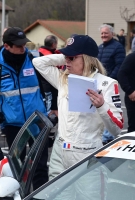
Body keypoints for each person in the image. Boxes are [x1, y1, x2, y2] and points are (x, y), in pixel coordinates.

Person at [32, 35, 123, 184]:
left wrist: (102, 106)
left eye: (72, 57)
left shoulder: (107, 84)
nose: (67, 61)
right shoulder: (63, 79)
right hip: (59, 151)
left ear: (87, 59)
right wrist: (66, 57)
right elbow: (38, 62)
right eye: (66, 57)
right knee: (57, 195)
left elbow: (117, 129)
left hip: (86, 154)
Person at [0, 27, 48, 191]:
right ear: (7, 46)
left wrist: (54, 107)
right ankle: (19, 194)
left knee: (40, 166)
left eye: (24, 44)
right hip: (13, 126)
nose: (23, 48)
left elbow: (52, 83)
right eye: (18, 45)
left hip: (37, 122)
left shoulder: (35, 58)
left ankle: (40, 195)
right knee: (17, 168)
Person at [98, 24, 125, 145]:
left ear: (112, 34)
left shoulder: (118, 47)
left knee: (110, 108)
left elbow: (120, 66)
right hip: (99, 83)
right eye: (102, 33)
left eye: (106, 33)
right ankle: (105, 135)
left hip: (110, 84)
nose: (103, 35)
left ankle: (109, 137)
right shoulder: (100, 47)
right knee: (101, 109)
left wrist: (109, 79)